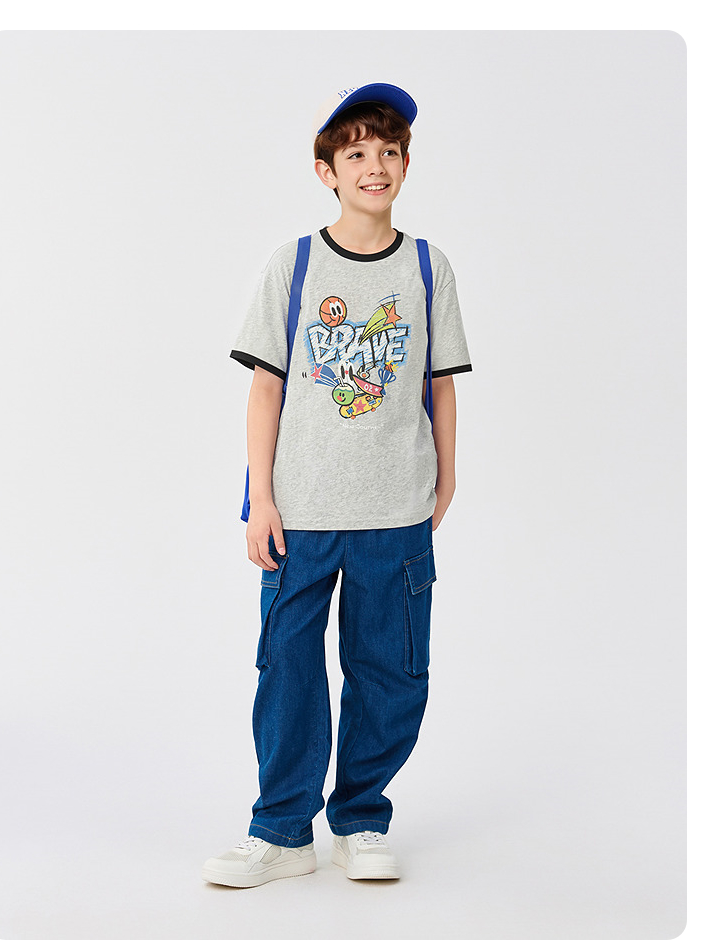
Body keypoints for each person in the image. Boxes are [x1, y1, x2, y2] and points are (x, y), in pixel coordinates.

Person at [202, 82, 472, 889]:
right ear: (327, 171)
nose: (374, 166)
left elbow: (441, 385)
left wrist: (446, 480)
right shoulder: (293, 263)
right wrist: (261, 499)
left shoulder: (427, 266)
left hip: (396, 508)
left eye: (389, 151)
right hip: (301, 509)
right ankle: (283, 831)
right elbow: (265, 388)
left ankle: (360, 820)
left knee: (389, 672)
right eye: (356, 153)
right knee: (287, 668)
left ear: (406, 164)